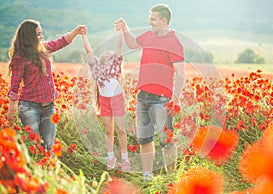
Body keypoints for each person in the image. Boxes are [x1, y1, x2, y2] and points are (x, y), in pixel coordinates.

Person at [115, 4, 185, 180]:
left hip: (162, 99)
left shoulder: (174, 42)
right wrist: (125, 29)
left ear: (163, 20)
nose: (149, 22)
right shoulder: (148, 35)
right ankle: (147, 177)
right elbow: (131, 42)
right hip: (143, 96)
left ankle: (171, 179)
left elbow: (181, 74)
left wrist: (175, 98)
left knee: (166, 141)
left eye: (153, 19)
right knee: (145, 139)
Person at [7, 19, 87, 152]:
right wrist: (10, 110)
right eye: (38, 34)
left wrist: (75, 32)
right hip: (29, 107)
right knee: (36, 146)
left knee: (49, 144)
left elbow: (61, 42)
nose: (41, 37)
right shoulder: (19, 58)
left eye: (41, 33)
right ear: (29, 37)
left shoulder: (43, 49)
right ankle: (38, 172)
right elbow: (14, 86)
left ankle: (49, 171)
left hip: (49, 106)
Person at [81, 28, 130, 172]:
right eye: (105, 52)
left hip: (117, 100)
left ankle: (125, 159)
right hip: (104, 101)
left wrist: (120, 31)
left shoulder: (114, 65)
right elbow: (89, 51)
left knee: (121, 130)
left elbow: (118, 47)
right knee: (109, 131)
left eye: (110, 53)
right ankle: (111, 158)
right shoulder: (96, 66)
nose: (107, 53)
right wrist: (84, 35)